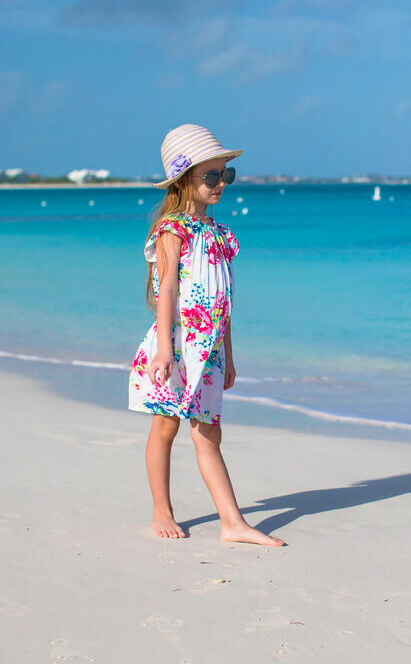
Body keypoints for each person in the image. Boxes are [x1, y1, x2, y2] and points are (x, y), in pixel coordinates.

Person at [128, 123, 283, 547]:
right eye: (211, 176)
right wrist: (164, 351)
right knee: (165, 426)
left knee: (209, 433)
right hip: (175, 346)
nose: (220, 184)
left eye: (225, 175)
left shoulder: (219, 235)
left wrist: (228, 356)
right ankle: (162, 509)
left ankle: (232, 523)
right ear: (184, 180)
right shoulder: (171, 231)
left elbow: (224, 301)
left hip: (210, 350)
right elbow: (169, 294)